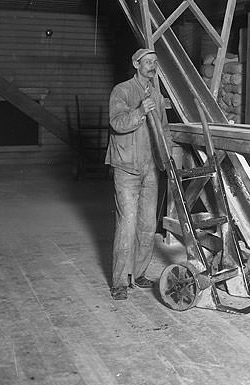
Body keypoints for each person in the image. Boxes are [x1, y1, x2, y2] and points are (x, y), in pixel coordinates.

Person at [106, 48, 170, 300]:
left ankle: (139, 273)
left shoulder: (156, 93)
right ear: (136, 64)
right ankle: (120, 283)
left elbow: (164, 129)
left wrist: (167, 157)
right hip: (126, 168)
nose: (152, 66)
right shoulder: (121, 91)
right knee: (127, 224)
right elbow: (117, 123)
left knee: (147, 224)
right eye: (148, 62)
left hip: (150, 167)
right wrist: (141, 111)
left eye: (155, 62)